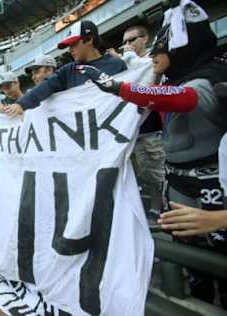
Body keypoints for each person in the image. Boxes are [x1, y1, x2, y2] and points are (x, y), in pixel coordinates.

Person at [78, 1, 227, 306]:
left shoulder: (211, 80)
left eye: (162, 47)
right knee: (190, 268)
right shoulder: (169, 80)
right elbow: (151, 105)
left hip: (215, 192)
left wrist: (117, 86)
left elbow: (181, 99)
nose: (154, 55)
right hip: (177, 184)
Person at [5, 20, 127, 118]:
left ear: (89, 39)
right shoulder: (69, 70)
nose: (70, 50)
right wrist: (21, 104)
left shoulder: (117, 64)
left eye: (74, 44)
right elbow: (47, 86)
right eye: (69, 46)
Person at [120, 23, 166, 218]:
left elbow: (148, 83)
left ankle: (167, 210)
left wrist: (128, 56)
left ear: (145, 39)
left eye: (132, 40)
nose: (128, 45)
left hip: (151, 129)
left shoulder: (152, 60)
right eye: (125, 42)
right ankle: (157, 209)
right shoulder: (127, 66)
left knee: (157, 174)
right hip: (132, 132)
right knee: (145, 175)